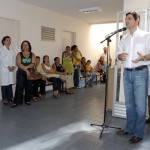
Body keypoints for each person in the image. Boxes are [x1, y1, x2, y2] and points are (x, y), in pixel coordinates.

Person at [116, 11, 150, 144]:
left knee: (140, 107)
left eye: (129, 18)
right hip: (126, 73)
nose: (126, 20)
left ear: (137, 20)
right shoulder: (124, 38)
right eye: (126, 18)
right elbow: (118, 54)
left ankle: (139, 133)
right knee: (129, 105)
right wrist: (119, 56)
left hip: (140, 73)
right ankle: (129, 128)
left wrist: (144, 57)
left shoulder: (146, 36)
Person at [11, 40, 36, 107]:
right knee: (19, 87)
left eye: (26, 45)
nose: (25, 46)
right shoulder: (19, 54)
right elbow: (18, 63)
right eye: (23, 45)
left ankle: (27, 100)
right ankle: (17, 101)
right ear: (22, 46)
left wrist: (27, 68)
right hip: (20, 73)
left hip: (30, 73)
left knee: (29, 87)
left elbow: (33, 63)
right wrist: (26, 70)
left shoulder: (32, 54)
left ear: (29, 46)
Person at [0, 36, 16, 105]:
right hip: (4, 69)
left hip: (11, 69)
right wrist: (8, 66)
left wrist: (14, 66)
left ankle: (10, 97)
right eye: (7, 40)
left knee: (10, 84)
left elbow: (14, 59)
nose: (8, 41)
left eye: (9, 40)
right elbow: (1, 59)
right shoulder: (1, 49)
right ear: (3, 41)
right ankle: (4, 99)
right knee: (4, 84)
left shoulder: (12, 50)